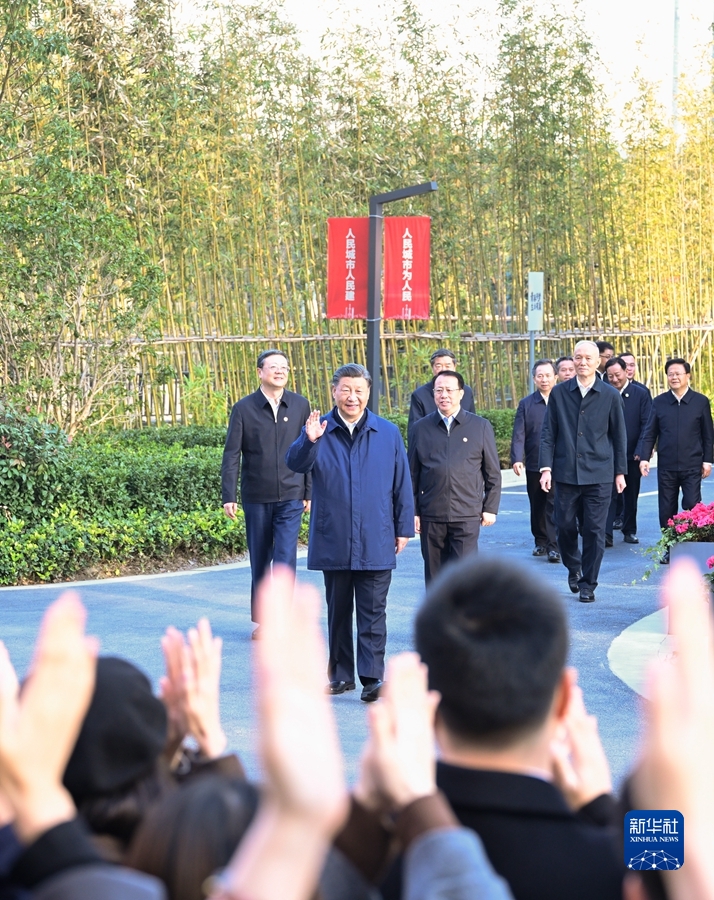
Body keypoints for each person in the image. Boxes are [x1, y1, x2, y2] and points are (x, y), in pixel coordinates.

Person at [380, 555, 624, 900]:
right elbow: (684, 872)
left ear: (424, 701)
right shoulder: (622, 866)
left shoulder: (369, 860)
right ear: (565, 699)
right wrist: (601, 804)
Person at [286, 364, 414, 702]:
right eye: (346, 389)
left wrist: (403, 527)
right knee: (338, 609)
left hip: (376, 534)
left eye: (359, 390)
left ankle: (372, 678)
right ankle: (341, 675)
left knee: (373, 612)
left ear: (368, 393)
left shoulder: (387, 433)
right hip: (335, 534)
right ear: (334, 392)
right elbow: (295, 464)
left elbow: (402, 484)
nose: (352, 397)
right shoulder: (319, 431)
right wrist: (308, 440)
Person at [221, 349, 312, 640]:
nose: (280, 371)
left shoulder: (300, 405)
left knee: (285, 558)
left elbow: (309, 448)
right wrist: (228, 494)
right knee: (261, 558)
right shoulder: (244, 408)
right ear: (260, 371)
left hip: (291, 495)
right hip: (256, 495)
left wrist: (308, 489)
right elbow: (232, 454)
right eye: (273, 367)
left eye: (284, 367)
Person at [539, 340, 627, 602]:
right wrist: (546, 468)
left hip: (599, 473)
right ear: (572, 360)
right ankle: (573, 567)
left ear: (598, 360)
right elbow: (548, 433)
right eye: (578, 357)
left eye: (588, 358)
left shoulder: (610, 395)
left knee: (594, 530)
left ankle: (588, 583)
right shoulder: (559, 393)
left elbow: (619, 436)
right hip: (566, 473)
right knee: (564, 526)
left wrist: (620, 473)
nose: (583, 362)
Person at [408, 370, 501, 583]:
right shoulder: (420, 428)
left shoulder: (480, 426)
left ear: (461, 394)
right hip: (432, 514)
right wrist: (413, 511)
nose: (444, 395)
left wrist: (490, 508)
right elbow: (412, 474)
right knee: (434, 577)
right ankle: (436, 617)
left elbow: (492, 473)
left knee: (465, 577)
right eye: (439, 390)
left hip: (467, 513)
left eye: (449, 390)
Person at [636, 358, 714, 562]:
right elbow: (649, 432)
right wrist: (644, 457)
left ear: (688, 376)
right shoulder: (659, 402)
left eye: (679, 373)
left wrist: (708, 461)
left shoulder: (700, 401)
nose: (674, 377)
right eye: (671, 374)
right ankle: (670, 548)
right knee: (667, 508)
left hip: (692, 464)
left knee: (692, 504)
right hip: (667, 466)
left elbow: (708, 435)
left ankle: (691, 547)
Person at [510, 360, 559, 562]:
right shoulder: (527, 404)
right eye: (540, 376)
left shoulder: (564, 400)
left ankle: (554, 546)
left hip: (560, 462)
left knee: (554, 504)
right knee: (537, 503)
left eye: (548, 375)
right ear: (534, 379)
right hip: (534, 463)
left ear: (555, 377)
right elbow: (519, 433)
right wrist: (516, 458)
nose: (544, 379)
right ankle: (540, 541)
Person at [604, 357, 652, 546]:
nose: (614, 379)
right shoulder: (603, 393)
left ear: (626, 372)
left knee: (630, 494)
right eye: (610, 376)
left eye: (617, 375)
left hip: (632, 454)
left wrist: (642, 451)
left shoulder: (640, 394)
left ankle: (629, 530)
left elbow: (647, 425)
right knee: (607, 494)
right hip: (607, 454)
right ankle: (606, 533)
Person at [408, 349, 475, 441]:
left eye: (448, 365)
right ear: (432, 368)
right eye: (438, 366)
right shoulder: (419, 395)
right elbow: (414, 431)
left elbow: (472, 423)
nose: (443, 369)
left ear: (454, 367)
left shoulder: (466, 391)